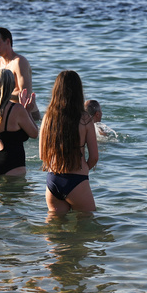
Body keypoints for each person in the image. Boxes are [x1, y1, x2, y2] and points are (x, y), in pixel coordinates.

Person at [40, 70, 98, 214]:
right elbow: (94, 157)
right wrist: (83, 169)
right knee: (86, 229)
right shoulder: (85, 119)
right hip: (76, 179)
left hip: (53, 179)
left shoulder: (48, 118)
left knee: (54, 232)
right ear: (79, 91)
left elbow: (42, 155)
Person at [0, 68, 38, 176]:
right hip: (12, 164)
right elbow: (34, 134)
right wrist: (28, 112)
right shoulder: (17, 109)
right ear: (12, 86)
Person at [0, 27, 40, 120]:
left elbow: (25, 96)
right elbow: (0, 94)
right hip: (9, 113)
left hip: (27, 114)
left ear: (7, 41)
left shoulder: (19, 62)